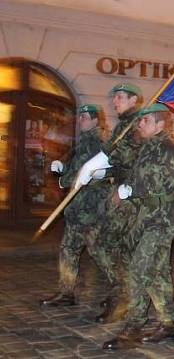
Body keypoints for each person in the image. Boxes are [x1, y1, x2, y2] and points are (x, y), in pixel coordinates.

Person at [102, 104, 174, 351]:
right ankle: (168, 324)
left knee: (140, 269)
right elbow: (144, 181)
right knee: (156, 272)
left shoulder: (171, 150)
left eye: (145, 121)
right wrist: (126, 191)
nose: (139, 124)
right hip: (145, 217)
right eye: (139, 121)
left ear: (160, 124)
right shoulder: (146, 148)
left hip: (164, 219)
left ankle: (133, 328)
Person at [74, 83, 143, 324]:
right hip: (120, 191)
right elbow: (114, 159)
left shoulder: (136, 124)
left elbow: (133, 159)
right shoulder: (123, 124)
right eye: (114, 97)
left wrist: (96, 167)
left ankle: (123, 296)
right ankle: (122, 293)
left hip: (131, 197)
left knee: (107, 245)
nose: (115, 101)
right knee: (114, 248)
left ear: (134, 100)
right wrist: (99, 173)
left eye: (121, 97)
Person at [40, 105, 117, 307]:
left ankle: (123, 289)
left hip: (92, 208)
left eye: (84, 117)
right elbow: (78, 169)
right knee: (68, 248)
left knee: (100, 251)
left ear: (94, 121)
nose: (81, 120)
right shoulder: (84, 141)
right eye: (80, 117)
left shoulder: (101, 141)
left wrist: (65, 179)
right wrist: (63, 169)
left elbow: (112, 168)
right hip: (78, 207)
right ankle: (66, 292)